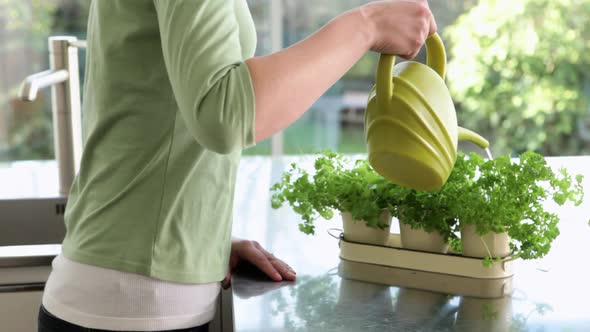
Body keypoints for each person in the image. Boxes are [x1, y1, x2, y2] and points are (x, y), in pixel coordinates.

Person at [38, 0, 437, 331]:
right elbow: (223, 112)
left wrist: (201, 239)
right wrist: (366, 26)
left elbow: (158, 102)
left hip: (135, 292)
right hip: (131, 306)